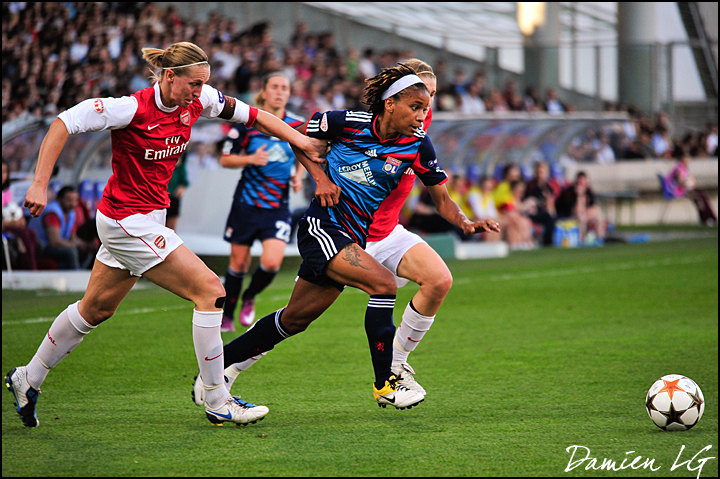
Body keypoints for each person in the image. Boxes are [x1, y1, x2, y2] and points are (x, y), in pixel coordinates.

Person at [5, 41, 324, 428]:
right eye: (194, 83)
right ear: (170, 76)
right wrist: (40, 184)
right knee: (211, 290)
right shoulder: (131, 108)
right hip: (126, 220)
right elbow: (63, 123)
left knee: (95, 309)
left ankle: (27, 377)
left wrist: (300, 140)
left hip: (148, 219)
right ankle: (217, 398)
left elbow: (255, 116)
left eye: (204, 83)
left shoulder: (199, 99)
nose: (200, 91)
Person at [193, 63, 499, 412]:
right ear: (390, 103)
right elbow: (299, 138)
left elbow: (442, 199)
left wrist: (465, 222)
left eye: (426, 107)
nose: (421, 115)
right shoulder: (345, 122)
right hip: (322, 228)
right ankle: (386, 383)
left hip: (355, 238)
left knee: (294, 320)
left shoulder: (417, 145)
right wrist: (320, 179)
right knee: (383, 285)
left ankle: (215, 371)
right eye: (416, 106)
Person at [218, 72, 306, 331]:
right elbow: (225, 159)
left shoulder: (296, 125)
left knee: (271, 262)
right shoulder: (247, 123)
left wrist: (299, 175)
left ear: (289, 94)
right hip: (246, 204)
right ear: (264, 92)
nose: (279, 92)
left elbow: (306, 152)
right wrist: (250, 159)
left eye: (284, 88)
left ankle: (249, 296)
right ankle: (227, 315)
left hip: (277, 206)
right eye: (274, 87)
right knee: (238, 263)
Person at [28, 185, 96, 270]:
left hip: (53, 246)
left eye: (75, 200)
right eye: (69, 200)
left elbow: (72, 237)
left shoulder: (70, 213)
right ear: (59, 199)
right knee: (71, 252)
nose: (73, 204)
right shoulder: (52, 213)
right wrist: (75, 245)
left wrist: (84, 245)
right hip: (40, 248)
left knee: (87, 251)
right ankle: (74, 275)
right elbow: (54, 242)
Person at [2, 158, 38, 270]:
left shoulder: (7, 192)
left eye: (4, 172)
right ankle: (29, 268)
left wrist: (19, 220)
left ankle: (27, 264)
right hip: (5, 225)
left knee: (31, 233)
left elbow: (13, 210)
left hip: (9, 224)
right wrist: (9, 223)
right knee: (24, 234)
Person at [666, 153, 717, 225]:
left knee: (701, 195)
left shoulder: (681, 168)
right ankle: (708, 218)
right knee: (700, 196)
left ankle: (707, 217)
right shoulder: (679, 168)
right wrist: (689, 181)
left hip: (680, 190)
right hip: (676, 191)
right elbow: (680, 181)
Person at [555, 171, 606, 244]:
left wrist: (587, 213)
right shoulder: (569, 193)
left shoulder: (588, 191)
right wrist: (579, 195)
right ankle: (581, 241)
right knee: (581, 218)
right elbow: (575, 211)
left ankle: (600, 239)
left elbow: (592, 205)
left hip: (583, 214)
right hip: (568, 216)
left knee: (598, 216)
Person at [523, 161, 557, 246]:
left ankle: (548, 241)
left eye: (542, 172)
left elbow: (550, 202)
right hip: (532, 212)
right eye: (538, 172)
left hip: (543, 212)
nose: (540, 174)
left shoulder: (548, 187)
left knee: (550, 218)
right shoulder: (530, 186)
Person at [165, 151, 189, 231]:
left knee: (171, 225)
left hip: (173, 197)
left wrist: (182, 187)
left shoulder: (180, 168)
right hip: (161, 196)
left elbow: (184, 181)